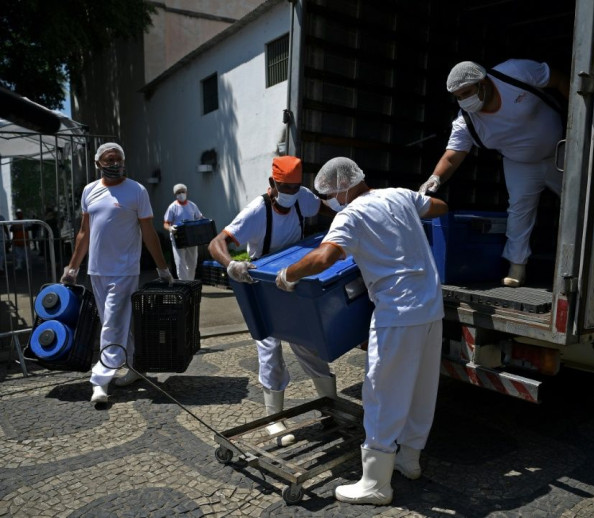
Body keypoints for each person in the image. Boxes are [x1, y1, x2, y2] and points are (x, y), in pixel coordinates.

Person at [275, 157, 449, 505]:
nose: (327, 202)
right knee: (420, 389)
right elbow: (440, 207)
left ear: (342, 188)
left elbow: (325, 257)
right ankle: (409, 460)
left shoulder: (350, 215)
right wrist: (412, 209)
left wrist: (289, 274)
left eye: (327, 195)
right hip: (431, 307)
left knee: (382, 392)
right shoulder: (399, 195)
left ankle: (375, 483)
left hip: (397, 312)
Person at [208, 155, 337, 446]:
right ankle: (274, 420)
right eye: (285, 187)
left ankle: (331, 405)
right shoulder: (256, 211)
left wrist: (347, 218)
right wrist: (231, 265)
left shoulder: (303, 198)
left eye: (295, 187)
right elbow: (216, 243)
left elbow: (327, 208)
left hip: (293, 279)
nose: (291, 193)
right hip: (263, 286)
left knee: (308, 344)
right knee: (270, 349)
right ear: (272, 184)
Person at [419, 59, 569, 287]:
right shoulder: (466, 122)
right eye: (458, 97)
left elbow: (557, 79)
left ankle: (584, 260)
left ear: (484, 82)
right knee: (519, 211)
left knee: (580, 206)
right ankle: (517, 267)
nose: (464, 100)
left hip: (563, 150)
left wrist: (585, 116)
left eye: (467, 92)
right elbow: (452, 155)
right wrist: (435, 178)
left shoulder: (515, 73)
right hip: (520, 163)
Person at [60, 142, 173, 405]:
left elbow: (148, 232)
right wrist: (72, 267)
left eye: (118, 159)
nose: (114, 164)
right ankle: (134, 366)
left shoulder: (136, 190)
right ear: (98, 164)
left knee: (111, 322)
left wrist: (162, 267)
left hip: (124, 270)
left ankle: (100, 380)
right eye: (108, 160)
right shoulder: (90, 191)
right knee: (118, 321)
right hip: (97, 270)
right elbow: (84, 232)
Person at [164, 183, 204, 280]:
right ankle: (183, 284)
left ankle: (190, 283)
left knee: (192, 262)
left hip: (192, 237)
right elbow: (166, 223)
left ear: (186, 192)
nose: (181, 194)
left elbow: (200, 218)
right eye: (178, 192)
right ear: (175, 194)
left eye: (182, 192)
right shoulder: (172, 207)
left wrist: (203, 222)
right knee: (180, 263)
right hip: (178, 237)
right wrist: (170, 228)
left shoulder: (192, 205)